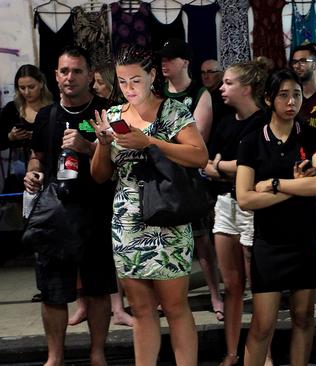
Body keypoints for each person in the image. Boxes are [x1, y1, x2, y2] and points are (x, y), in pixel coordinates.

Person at [90, 44, 208, 365]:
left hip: (167, 216)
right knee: (141, 310)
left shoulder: (173, 111)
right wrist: (102, 144)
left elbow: (200, 156)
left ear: (152, 75)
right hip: (126, 221)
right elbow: (100, 176)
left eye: (136, 81)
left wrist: (150, 142)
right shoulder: (113, 116)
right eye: (123, 81)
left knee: (174, 307)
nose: (128, 89)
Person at [24, 45, 116, 366]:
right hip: (55, 215)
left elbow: (120, 161)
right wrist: (33, 173)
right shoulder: (46, 116)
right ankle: (54, 357)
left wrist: (88, 146)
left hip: (97, 212)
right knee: (52, 290)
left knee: (97, 289)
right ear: (55, 76)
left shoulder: (107, 111)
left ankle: (98, 354)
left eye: (77, 71)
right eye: (64, 71)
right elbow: (38, 156)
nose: (70, 77)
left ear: (91, 75)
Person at [236, 69, 316, 366]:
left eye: (297, 95)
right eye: (284, 95)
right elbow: (245, 198)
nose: (292, 102)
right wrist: (295, 189)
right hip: (270, 244)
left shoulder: (312, 134)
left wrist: (276, 184)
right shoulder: (252, 141)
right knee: (263, 324)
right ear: (268, 99)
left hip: (306, 239)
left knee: (303, 317)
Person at [202, 60, 268, 366]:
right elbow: (207, 164)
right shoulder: (226, 122)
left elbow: (251, 168)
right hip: (225, 204)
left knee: (259, 284)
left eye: (228, 83)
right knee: (232, 285)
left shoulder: (263, 122)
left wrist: (225, 166)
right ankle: (231, 352)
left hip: (251, 205)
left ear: (247, 88)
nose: (222, 88)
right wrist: (229, 168)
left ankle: (261, 352)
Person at [67, 63, 133, 328]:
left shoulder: (115, 111)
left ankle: (118, 308)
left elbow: (123, 152)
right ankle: (85, 304)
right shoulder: (83, 109)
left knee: (109, 255)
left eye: (98, 82)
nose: (94, 86)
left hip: (113, 191)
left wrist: (89, 146)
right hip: (82, 187)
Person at [159, 38, 222, 316]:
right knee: (163, 238)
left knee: (201, 241)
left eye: (170, 58)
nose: (164, 63)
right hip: (161, 175)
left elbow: (197, 142)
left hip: (189, 177)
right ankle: (169, 295)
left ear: (184, 61)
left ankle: (214, 294)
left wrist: (159, 141)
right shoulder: (157, 92)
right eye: (162, 58)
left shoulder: (200, 94)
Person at [0, 64, 52, 192]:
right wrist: (10, 137)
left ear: (41, 84)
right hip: (17, 175)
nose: (27, 92)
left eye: (31, 87)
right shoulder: (11, 109)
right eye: (22, 88)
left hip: (46, 170)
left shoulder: (53, 109)